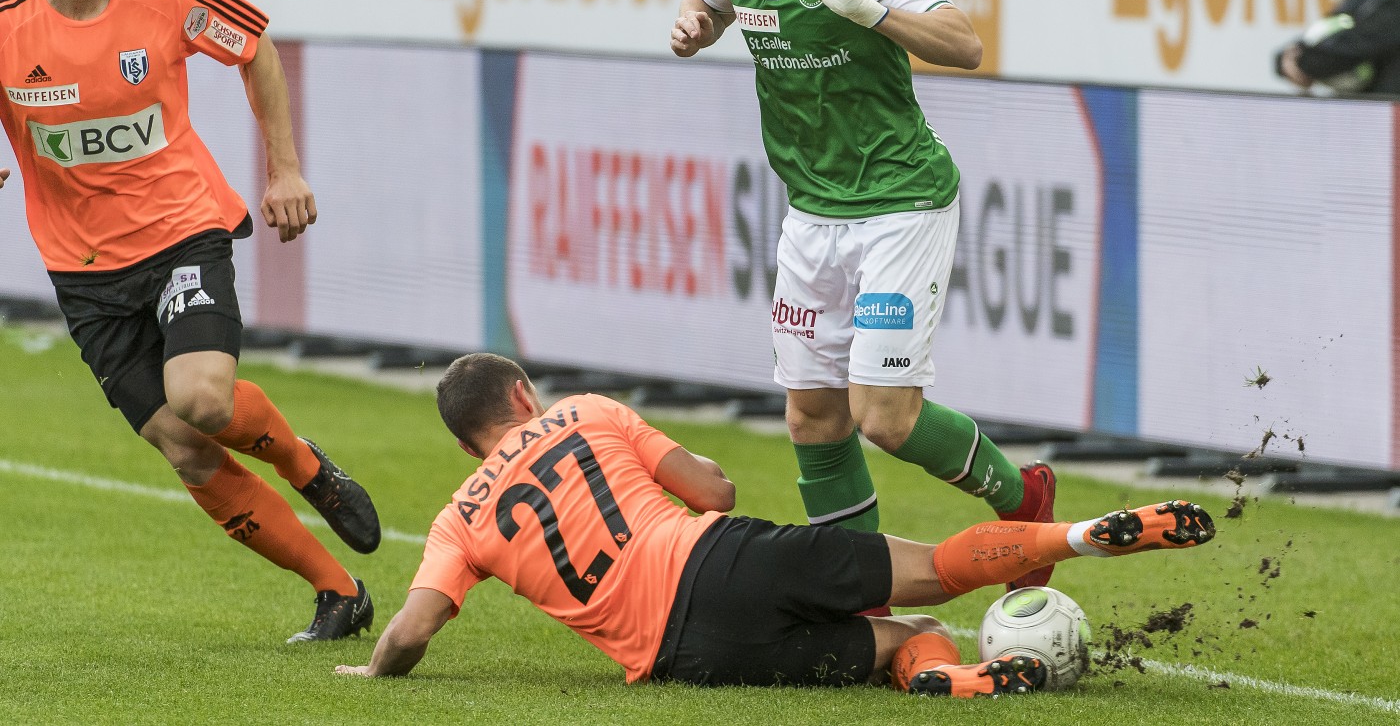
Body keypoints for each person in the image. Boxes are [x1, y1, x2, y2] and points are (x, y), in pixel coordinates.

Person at [334, 353, 1216, 693]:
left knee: (896, 642)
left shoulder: (459, 518)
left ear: (465, 442)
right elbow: (711, 492)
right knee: (933, 574)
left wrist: (373, 668)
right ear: (524, 395)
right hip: (719, 557)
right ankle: (1071, 535)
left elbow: (410, 632)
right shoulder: (586, 411)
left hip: (691, 658)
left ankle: (967, 682)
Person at [667, 0, 1054, 592]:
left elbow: (965, 43)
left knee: (885, 418)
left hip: (899, 204)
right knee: (812, 417)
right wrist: (696, 25)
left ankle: (1025, 503)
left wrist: (868, 10)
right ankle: (857, 599)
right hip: (812, 214)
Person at [0, 0, 379, 642]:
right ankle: (339, 591)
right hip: (83, 272)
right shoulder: (6, 15)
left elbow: (257, 47)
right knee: (182, 443)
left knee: (201, 400)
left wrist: (285, 170)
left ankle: (306, 465)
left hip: (181, 230)